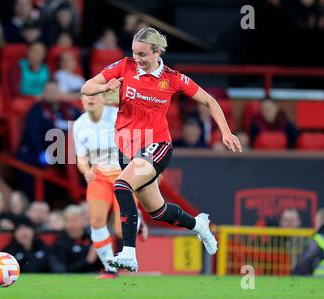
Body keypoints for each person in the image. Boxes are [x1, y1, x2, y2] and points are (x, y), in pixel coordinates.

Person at [81, 27, 242, 272]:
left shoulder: (173, 78)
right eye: (135, 52)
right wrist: (104, 87)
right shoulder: (123, 66)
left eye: (142, 54)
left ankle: (129, 253)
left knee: (121, 185)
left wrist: (226, 131)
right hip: (126, 148)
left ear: (157, 52)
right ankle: (199, 225)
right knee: (158, 211)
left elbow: (209, 100)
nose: (137, 58)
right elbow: (86, 88)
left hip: (156, 145)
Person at [73, 93, 146, 278]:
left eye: (95, 95)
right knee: (96, 222)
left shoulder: (116, 116)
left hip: (125, 177)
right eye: (86, 96)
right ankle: (110, 268)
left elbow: (138, 140)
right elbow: (81, 156)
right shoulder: (79, 124)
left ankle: (138, 221)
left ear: (103, 99)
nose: (90, 99)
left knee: (121, 230)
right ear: (81, 101)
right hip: (99, 177)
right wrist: (85, 170)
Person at [53, 205, 102, 273]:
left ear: (84, 221)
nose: (71, 224)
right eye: (68, 221)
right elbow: (62, 270)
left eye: (75, 220)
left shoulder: (92, 238)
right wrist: (87, 260)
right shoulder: (60, 242)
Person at [291, 208, 324, 276]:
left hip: (318, 281)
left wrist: (294, 275)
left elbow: (304, 262)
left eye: (316, 222)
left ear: (321, 221)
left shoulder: (318, 240)